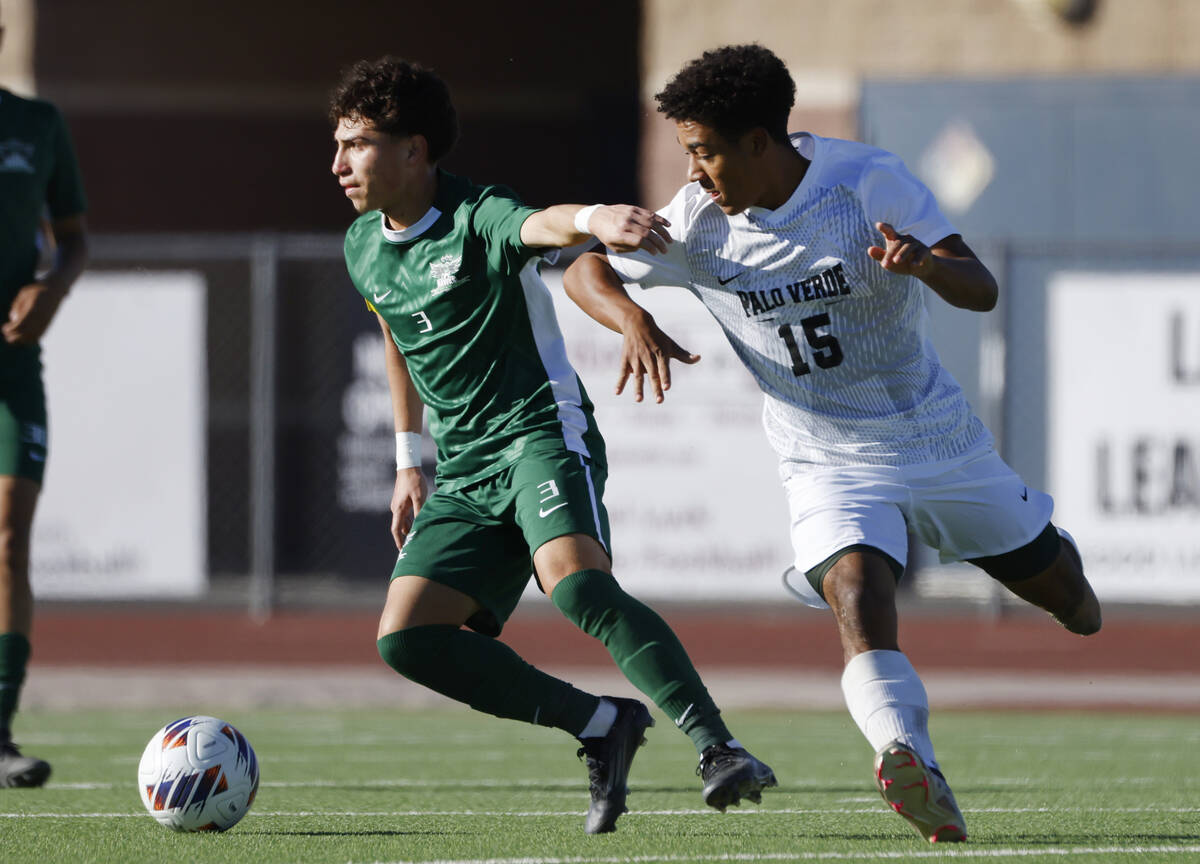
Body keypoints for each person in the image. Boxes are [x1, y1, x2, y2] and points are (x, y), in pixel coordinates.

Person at [563, 44, 1102, 844]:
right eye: (687, 152)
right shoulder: (697, 222)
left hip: (935, 441)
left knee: (1075, 607)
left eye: (706, 151)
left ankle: (1042, 543)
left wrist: (922, 264)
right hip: (824, 459)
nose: (696, 173)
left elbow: (980, 288)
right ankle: (907, 757)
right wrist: (632, 317)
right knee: (854, 589)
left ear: (759, 142)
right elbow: (583, 271)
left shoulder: (865, 182)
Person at [328, 56, 776, 835]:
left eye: (358, 144)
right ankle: (602, 725)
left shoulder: (478, 215)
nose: (339, 164)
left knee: (575, 585)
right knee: (405, 640)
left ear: (414, 151)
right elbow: (394, 336)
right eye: (336, 145)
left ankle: (718, 746)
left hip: (538, 431)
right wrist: (409, 457)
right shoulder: (362, 245)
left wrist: (599, 216)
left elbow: (543, 225)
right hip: (464, 467)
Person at [0, 4, 88, 788]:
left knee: (7, 537)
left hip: (11, 364)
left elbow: (75, 236)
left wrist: (51, 290)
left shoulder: (37, 123)